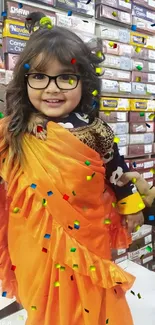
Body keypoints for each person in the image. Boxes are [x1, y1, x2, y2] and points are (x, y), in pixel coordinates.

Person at [0, 17, 146, 325]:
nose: (52, 89)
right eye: (39, 77)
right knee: (41, 299)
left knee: (90, 295)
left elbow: (116, 171)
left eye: (66, 78)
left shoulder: (96, 130)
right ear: (25, 82)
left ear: (84, 82)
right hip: (31, 239)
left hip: (87, 235)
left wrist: (131, 205)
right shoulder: (13, 131)